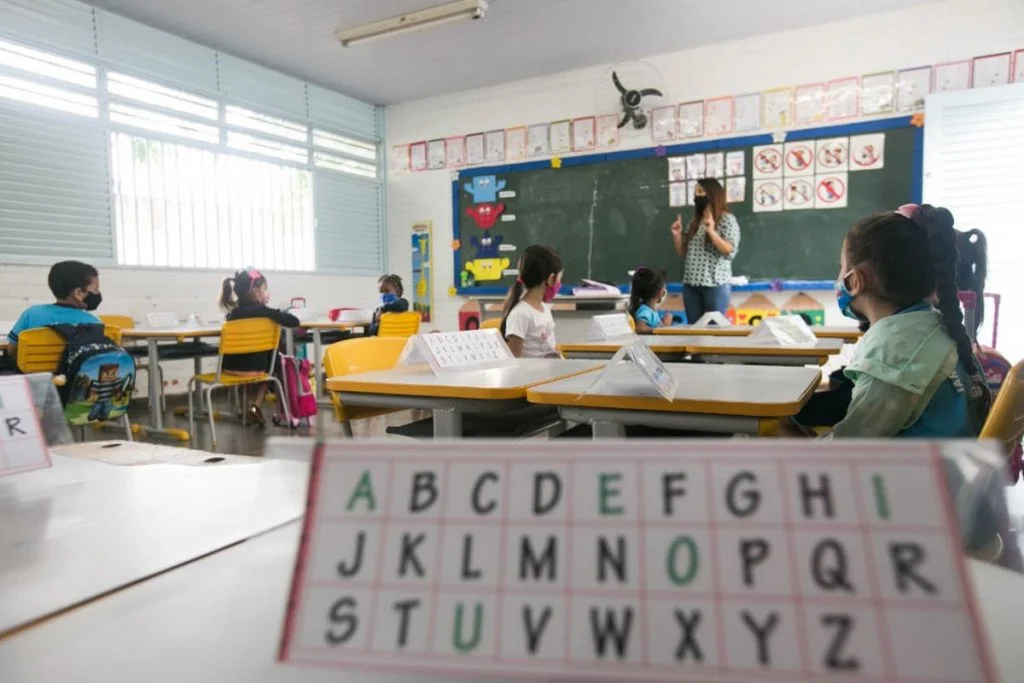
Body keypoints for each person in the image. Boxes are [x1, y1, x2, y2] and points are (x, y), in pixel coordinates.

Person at [824, 205, 991, 438]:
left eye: (841, 268)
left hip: (919, 472)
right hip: (954, 466)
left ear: (856, 280)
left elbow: (852, 444)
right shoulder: (935, 324)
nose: (839, 277)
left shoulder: (893, 348)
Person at [219, 268, 300, 426]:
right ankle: (256, 404)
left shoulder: (231, 315)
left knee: (252, 357)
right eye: (264, 289)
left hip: (230, 369)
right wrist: (274, 312)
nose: (266, 293)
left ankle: (246, 406)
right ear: (255, 292)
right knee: (274, 357)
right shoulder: (265, 312)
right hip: (258, 369)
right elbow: (294, 322)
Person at [670, 178, 740, 322]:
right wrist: (677, 236)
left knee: (715, 330)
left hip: (714, 285)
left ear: (712, 194)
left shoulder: (727, 219)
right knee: (695, 331)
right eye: (695, 192)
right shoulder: (695, 222)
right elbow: (682, 252)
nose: (697, 195)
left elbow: (729, 250)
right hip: (691, 285)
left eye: (701, 191)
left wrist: (712, 232)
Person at [7, 260, 103, 356]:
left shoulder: (31, 314)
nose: (97, 293)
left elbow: (12, 350)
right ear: (78, 293)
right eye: (95, 289)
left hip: (35, 370)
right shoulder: (93, 322)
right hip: (74, 370)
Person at [499, 245, 563, 358]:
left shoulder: (544, 308)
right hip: (533, 375)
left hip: (550, 372)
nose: (559, 283)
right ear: (551, 279)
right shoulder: (521, 314)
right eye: (559, 278)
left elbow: (552, 347)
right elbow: (514, 361)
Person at [629, 267, 673, 333]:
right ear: (660, 293)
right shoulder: (645, 311)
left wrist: (663, 322)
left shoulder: (649, 311)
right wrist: (663, 328)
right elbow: (640, 328)